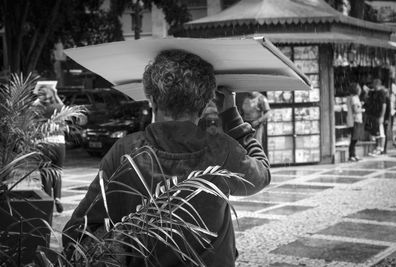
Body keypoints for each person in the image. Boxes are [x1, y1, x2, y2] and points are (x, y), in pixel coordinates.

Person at [62, 50, 271, 266]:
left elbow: (77, 233)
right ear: (207, 101)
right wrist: (231, 116)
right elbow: (262, 175)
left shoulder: (124, 151)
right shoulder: (221, 150)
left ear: (151, 99)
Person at [34, 83, 65, 213]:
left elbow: (34, 105)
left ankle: (48, 201)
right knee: (57, 170)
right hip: (59, 142)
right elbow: (63, 106)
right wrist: (55, 93)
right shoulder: (58, 107)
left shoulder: (36, 110)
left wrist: (38, 95)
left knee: (45, 172)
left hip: (44, 143)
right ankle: (57, 198)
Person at [364, 78, 387, 156]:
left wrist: (382, 116)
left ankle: (381, 148)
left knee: (381, 132)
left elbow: (384, 105)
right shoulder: (373, 92)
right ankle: (377, 148)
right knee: (375, 132)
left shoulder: (382, 93)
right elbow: (367, 97)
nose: (373, 86)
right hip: (373, 115)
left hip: (378, 115)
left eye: (374, 84)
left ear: (377, 84)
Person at [346, 83, 363, 161]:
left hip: (354, 120)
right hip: (356, 120)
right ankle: (351, 155)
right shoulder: (355, 98)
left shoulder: (352, 97)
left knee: (354, 138)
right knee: (354, 138)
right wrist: (362, 109)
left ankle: (353, 154)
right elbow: (355, 110)